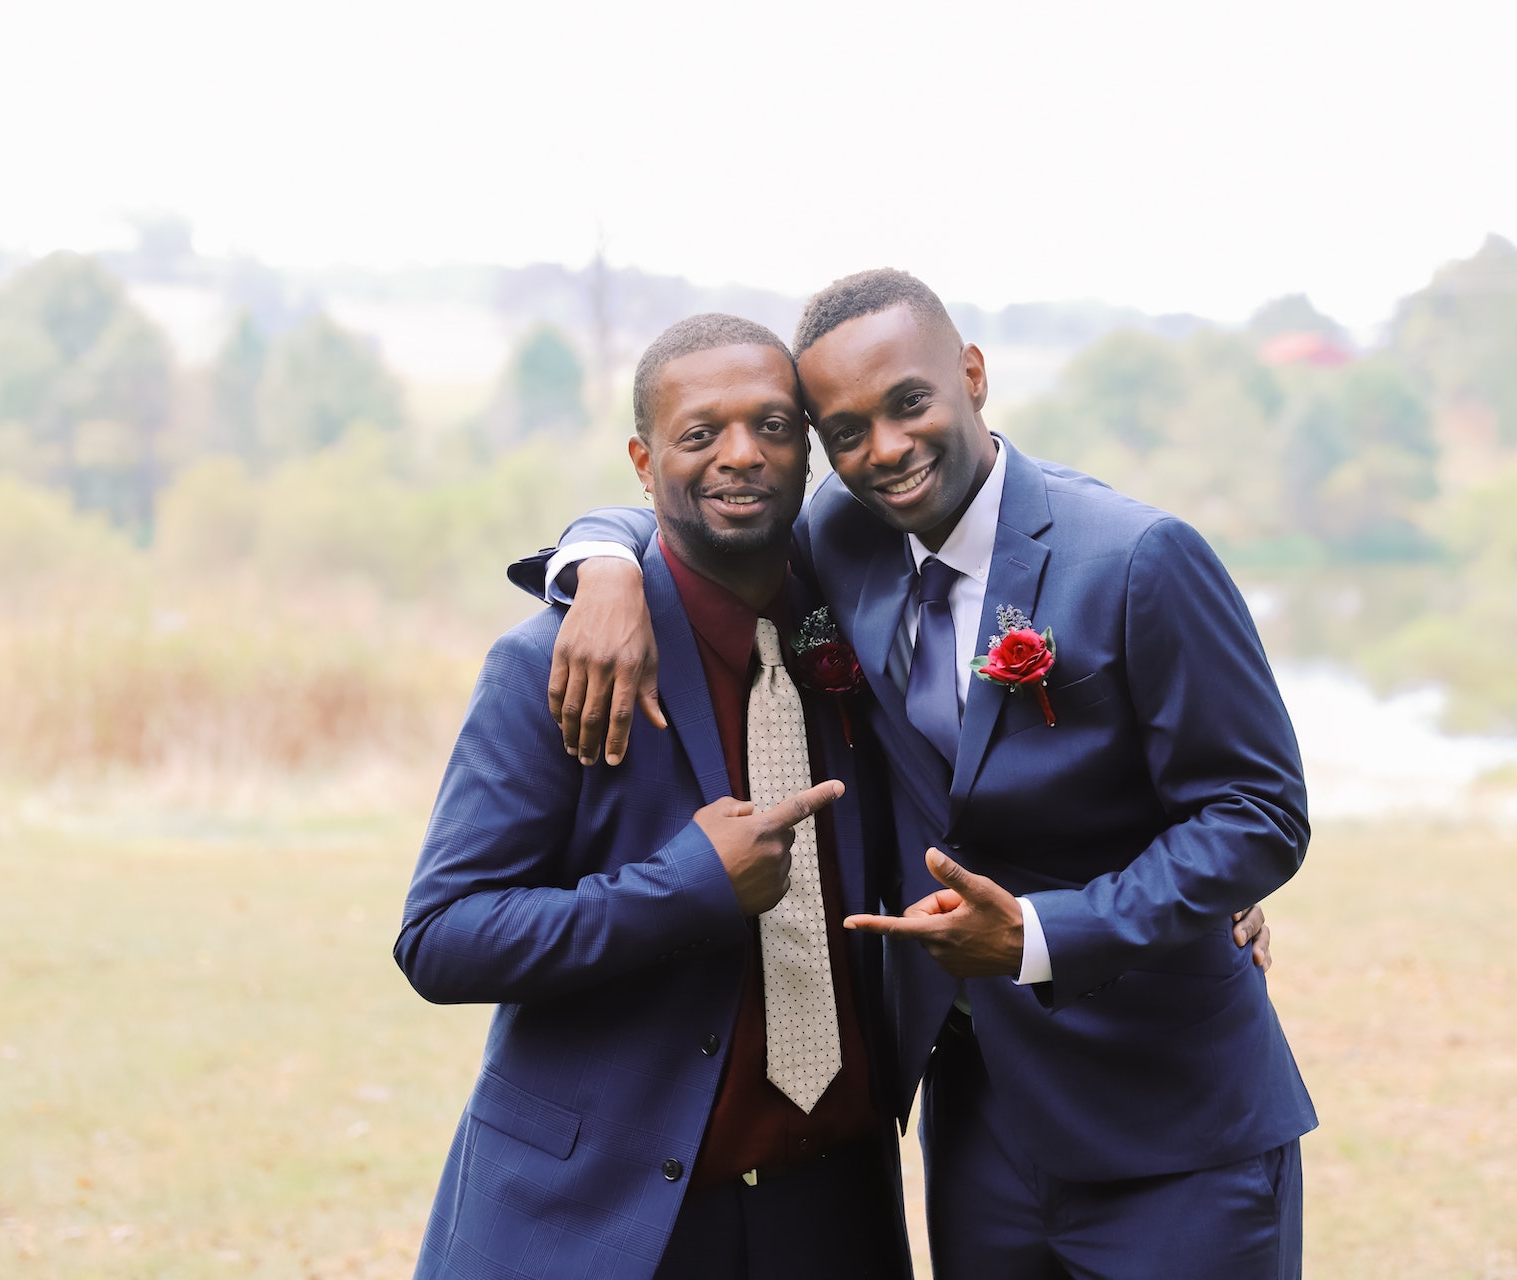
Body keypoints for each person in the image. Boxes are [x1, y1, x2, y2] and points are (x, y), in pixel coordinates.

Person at [521, 269, 1315, 1279]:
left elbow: (1257, 814)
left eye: (908, 403)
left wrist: (1041, 933)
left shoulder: (1137, 557)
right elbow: (702, 511)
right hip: (979, 1118)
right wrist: (602, 565)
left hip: (1170, 1116)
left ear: (972, 375)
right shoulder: (844, 540)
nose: (884, 449)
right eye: (845, 430)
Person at [395, 314, 914, 1280]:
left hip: (836, 1208)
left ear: (806, 449)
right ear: (644, 461)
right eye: (700, 433)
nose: (741, 455)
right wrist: (683, 889)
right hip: (612, 1220)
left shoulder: (856, 619)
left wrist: (1203, 881)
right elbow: (440, 938)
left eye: (771, 425)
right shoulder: (553, 665)